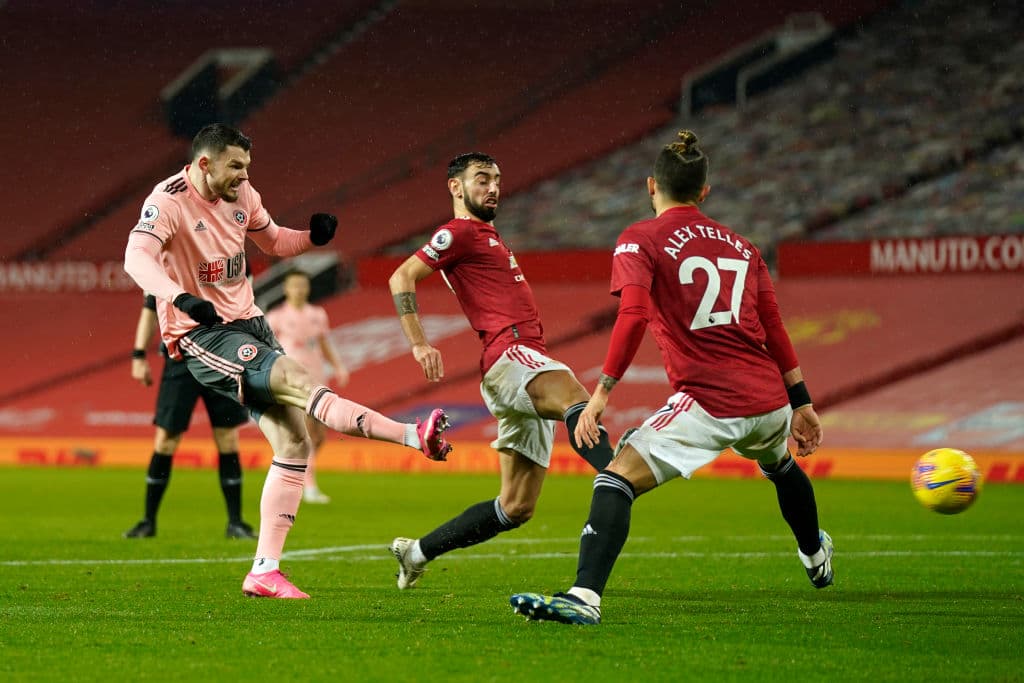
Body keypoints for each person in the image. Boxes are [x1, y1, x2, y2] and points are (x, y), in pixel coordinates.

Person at [509, 130, 830, 625]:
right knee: (782, 467)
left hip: (708, 401)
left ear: (650, 185)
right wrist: (801, 401)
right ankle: (815, 556)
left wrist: (600, 395)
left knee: (615, 479)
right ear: (704, 191)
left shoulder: (640, 239)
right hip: (769, 402)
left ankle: (584, 597)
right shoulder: (744, 248)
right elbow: (774, 328)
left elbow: (633, 314)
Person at [123, 123, 452, 599]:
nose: (244, 175)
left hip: (251, 324)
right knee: (299, 381)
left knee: (294, 443)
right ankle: (410, 435)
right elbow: (135, 259)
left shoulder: (243, 194)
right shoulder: (167, 201)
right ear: (203, 164)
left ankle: (264, 570)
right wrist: (180, 298)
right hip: (203, 333)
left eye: (248, 167)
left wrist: (311, 237)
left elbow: (274, 242)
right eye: (236, 166)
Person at [386, 152, 616, 590]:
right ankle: (619, 478)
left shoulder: (484, 234)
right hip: (511, 355)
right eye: (481, 179)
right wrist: (418, 342)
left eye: (496, 179)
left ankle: (416, 552)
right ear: (455, 187)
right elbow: (401, 277)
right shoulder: (458, 232)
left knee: (515, 507)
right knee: (574, 396)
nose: (493, 187)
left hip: (516, 361)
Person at [124, 293, 256, 539]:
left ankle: (235, 522)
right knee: (166, 439)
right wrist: (139, 355)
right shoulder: (166, 265)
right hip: (180, 360)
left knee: (227, 438)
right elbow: (150, 308)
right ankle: (148, 521)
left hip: (221, 358)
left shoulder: (230, 256)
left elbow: (245, 306)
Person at [266, 269, 350, 504]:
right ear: (286, 288)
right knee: (304, 434)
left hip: (316, 376)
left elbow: (323, 343)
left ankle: (299, 478)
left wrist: (338, 366)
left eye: (303, 285)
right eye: (294, 285)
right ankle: (308, 485)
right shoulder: (276, 316)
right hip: (291, 380)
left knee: (319, 435)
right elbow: (267, 348)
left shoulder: (317, 313)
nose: (299, 290)